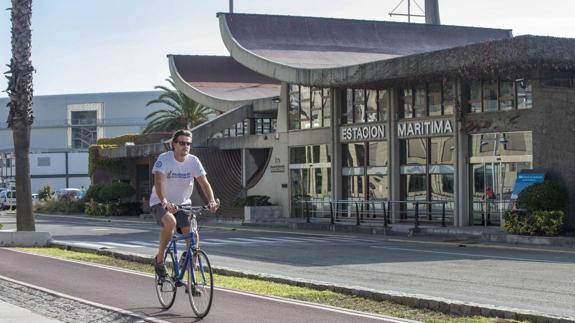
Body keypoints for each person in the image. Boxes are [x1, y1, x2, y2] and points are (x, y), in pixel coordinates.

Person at [149, 129, 218, 279]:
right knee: (170, 222)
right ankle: (159, 260)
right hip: (160, 202)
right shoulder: (164, 159)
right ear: (174, 144)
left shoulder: (193, 161)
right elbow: (159, 181)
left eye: (188, 143)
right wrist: (164, 202)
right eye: (181, 143)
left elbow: (204, 183)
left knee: (193, 238)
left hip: (183, 204)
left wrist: (211, 201)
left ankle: (191, 282)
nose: (185, 146)